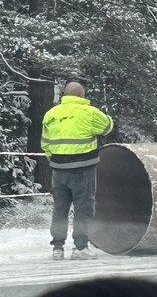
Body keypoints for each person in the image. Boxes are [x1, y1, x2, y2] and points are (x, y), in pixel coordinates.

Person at [41, 80, 114, 260]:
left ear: (65, 95)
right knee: (83, 208)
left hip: (58, 170)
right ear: (82, 96)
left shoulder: (51, 114)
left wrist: (56, 158)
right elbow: (107, 127)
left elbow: (45, 143)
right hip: (83, 169)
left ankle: (57, 248)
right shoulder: (89, 113)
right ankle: (80, 247)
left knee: (60, 209)